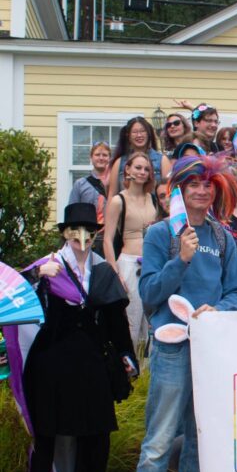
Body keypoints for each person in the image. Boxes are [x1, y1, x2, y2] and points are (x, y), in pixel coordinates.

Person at [134, 155, 237, 472]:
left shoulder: (221, 237)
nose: (201, 190)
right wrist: (179, 260)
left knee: (201, 436)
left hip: (209, 351)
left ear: (216, 190)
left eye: (207, 184)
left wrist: (219, 309)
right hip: (170, 348)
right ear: (178, 189)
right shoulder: (160, 235)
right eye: (192, 184)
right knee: (160, 437)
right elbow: (149, 293)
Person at [24, 203, 135, 472]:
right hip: (51, 362)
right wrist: (38, 276)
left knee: (97, 428)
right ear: (65, 233)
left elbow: (116, 319)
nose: (82, 236)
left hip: (91, 360)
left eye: (89, 229)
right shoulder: (47, 267)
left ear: (96, 233)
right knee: (47, 430)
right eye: (75, 230)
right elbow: (15, 295)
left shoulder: (102, 270)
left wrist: (126, 354)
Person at [103, 152, 159, 359]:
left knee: (151, 321)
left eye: (146, 169)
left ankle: (147, 373)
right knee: (131, 320)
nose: (142, 172)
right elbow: (107, 239)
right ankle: (129, 369)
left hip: (152, 264)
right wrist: (114, 273)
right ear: (127, 169)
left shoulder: (152, 199)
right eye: (138, 167)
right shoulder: (119, 200)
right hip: (128, 263)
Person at [107, 117, 170, 198]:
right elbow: (112, 195)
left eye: (142, 131)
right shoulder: (119, 162)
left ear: (148, 134)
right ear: (128, 136)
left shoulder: (162, 160)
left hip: (154, 209)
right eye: (135, 132)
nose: (139, 135)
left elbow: (170, 192)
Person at [69, 140, 111, 255]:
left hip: (110, 238)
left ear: (109, 158)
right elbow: (73, 214)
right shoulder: (80, 184)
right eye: (97, 155)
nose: (101, 158)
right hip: (87, 238)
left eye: (105, 155)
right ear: (91, 157)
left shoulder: (115, 184)